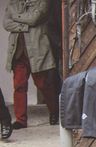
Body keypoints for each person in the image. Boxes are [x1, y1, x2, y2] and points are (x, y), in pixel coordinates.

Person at [3, 0, 59, 130]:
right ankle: (21, 120)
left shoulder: (43, 2)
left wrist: (15, 17)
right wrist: (25, 26)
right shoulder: (13, 2)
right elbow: (6, 24)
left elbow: (34, 19)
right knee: (19, 86)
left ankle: (54, 112)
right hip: (18, 52)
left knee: (43, 85)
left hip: (37, 51)